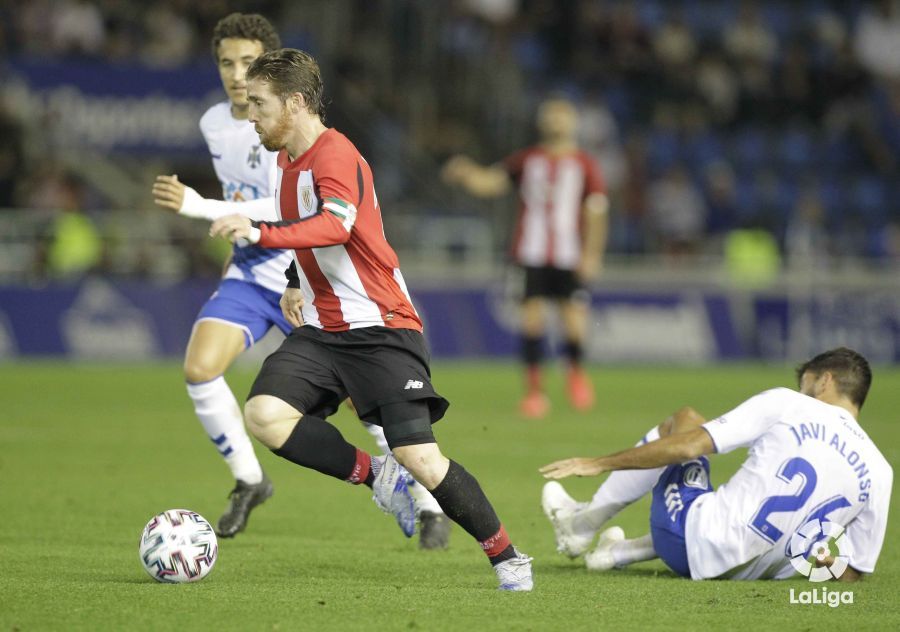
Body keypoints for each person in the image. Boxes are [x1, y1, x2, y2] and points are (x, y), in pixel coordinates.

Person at [208, 48, 533, 590]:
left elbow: (335, 226)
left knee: (421, 458)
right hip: (323, 332)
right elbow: (311, 232)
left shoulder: (336, 155)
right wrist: (293, 280)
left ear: (295, 102)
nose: (252, 116)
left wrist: (259, 232)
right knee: (264, 415)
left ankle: (509, 558)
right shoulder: (286, 163)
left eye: (260, 103)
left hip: (381, 328)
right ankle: (378, 475)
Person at [151, 14, 450, 549]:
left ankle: (428, 502)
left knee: (366, 400)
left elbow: (288, 206)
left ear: (266, 69)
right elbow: (249, 199)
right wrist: (233, 228)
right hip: (251, 270)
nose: (236, 74)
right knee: (199, 367)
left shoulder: (285, 128)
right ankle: (250, 480)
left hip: (306, 275)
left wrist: (202, 207)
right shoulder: (215, 123)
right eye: (226, 62)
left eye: (247, 63)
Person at [539, 347, 891, 581]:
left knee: (687, 419)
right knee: (730, 502)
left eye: (805, 385)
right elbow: (852, 572)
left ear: (825, 380)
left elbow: (689, 446)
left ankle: (580, 526)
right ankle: (620, 552)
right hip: (757, 575)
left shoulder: (788, 403)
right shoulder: (879, 471)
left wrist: (599, 463)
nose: (801, 393)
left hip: (688, 543)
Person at [442, 97, 610, 419]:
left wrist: (592, 254)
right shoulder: (527, 160)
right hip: (529, 253)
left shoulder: (584, 165)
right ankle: (534, 392)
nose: (555, 121)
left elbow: (597, 212)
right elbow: (492, 183)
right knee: (532, 321)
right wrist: (467, 173)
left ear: (572, 122)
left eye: (561, 115)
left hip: (569, 255)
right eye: (550, 115)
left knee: (574, 322)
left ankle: (575, 374)